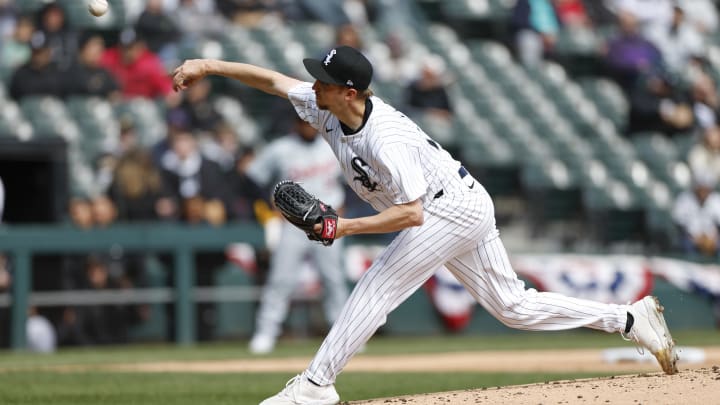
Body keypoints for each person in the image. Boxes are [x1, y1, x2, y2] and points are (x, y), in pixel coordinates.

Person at [171, 45, 679, 404]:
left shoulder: (384, 139)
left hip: (446, 206)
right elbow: (273, 81)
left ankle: (315, 385)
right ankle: (631, 320)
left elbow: (412, 214)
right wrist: (209, 66)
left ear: (349, 92)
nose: (313, 84)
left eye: (323, 80)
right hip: (461, 201)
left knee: (377, 283)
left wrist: (342, 227)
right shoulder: (326, 108)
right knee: (513, 307)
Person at [245, 115, 349, 354]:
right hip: (292, 224)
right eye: (303, 123)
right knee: (280, 280)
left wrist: (345, 205)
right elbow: (251, 178)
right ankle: (266, 333)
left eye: (311, 123)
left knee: (333, 280)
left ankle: (345, 335)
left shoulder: (333, 147)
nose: (308, 127)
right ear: (295, 124)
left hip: (328, 221)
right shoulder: (280, 149)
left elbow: (352, 182)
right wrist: (269, 203)